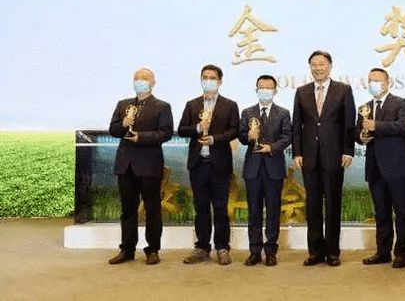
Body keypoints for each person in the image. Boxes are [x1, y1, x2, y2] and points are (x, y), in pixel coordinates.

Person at [292, 50, 356, 267]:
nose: (318, 68)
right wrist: (297, 152)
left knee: (332, 204)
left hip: (334, 156)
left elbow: (349, 123)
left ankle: (332, 252)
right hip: (309, 157)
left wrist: (348, 150)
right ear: (310, 67)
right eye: (314, 64)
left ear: (330, 66)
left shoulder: (343, 90)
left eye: (321, 64)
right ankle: (315, 251)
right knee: (312, 205)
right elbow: (297, 125)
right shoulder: (302, 92)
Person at [108, 67, 173, 265]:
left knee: (152, 208)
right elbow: (113, 129)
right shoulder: (123, 104)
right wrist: (123, 124)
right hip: (125, 165)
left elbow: (166, 133)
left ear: (153, 83)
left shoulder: (162, 106)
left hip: (149, 164)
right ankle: (127, 249)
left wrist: (141, 137)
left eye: (145, 78)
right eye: (137, 78)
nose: (140, 81)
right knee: (128, 209)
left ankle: (152, 250)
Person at [178, 64, 239, 266]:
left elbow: (234, 131)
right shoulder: (192, 104)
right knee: (201, 207)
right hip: (198, 164)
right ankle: (202, 247)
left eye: (212, 77)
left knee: (221, 208)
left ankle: (222, 247)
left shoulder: (229, 105)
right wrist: (198, 127)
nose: (208, 80)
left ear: (220, 81)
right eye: (205, 77)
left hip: (219, 164)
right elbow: (182, 129)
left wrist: (214, 139)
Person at [357, 68, 405, 268]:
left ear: (388, 82)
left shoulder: (400, 103)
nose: (374, 84)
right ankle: (383, 252)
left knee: (402, 212)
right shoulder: (364, 107)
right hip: (374, 169)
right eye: (371, 80)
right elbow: (358, 133)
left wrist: (376, 126)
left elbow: (403, 126)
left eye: (378, 80)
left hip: (397, 168)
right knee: (381, 213)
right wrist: (361, 136)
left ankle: (402, 253)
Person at [238, 75, 291, 266]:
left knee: (273, 211)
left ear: (275, 91)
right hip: (252, 168)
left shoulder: (283, 113)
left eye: (269, 88)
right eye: (261, 88)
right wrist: (248, 135)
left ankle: (270, 251)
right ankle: (254, 251)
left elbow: (287, 136)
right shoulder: (247, 112)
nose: (265, 91)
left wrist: (272, 147)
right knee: (254, 211)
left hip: (273, 168)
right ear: (256, 90)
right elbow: (241, 136)